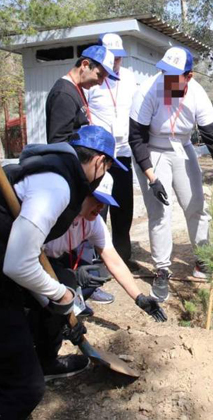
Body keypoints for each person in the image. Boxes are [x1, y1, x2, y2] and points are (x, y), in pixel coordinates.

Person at [0, 125, 124, 419]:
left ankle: (45, 361)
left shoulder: (52, 173)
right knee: (24, 387)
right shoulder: (56, 186)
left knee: (58, 287)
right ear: (99, 161)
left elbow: (25, 256)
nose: (103, 175)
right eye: (107, 167)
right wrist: (61, 294)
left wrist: (56, 301)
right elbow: (19, 264)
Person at [129, 46, 213, 302]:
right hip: (153, 149)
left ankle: (203, 262)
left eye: (175, 76)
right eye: (165, 74)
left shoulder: (196, 93)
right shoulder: (148, 90)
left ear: (189, 76)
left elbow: (211, 136)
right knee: (160, 212)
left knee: (196, 204)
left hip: (182, 147)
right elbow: (136, 138)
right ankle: (162, 269)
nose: (167, 80)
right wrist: (152, 177)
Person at [44, 173, 167, 322]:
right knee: (70, 280)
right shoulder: (53, 214)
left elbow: (114, 262)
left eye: (105, 202)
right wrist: (69, 275)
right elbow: (27, 261)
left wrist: (139, 298)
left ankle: (69, 309)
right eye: (97, 200)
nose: (101, 207)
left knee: (93, 275)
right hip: (34, 265)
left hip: (56, 261)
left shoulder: (93, 223)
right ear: (82, 194)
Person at [86, 34, 137, 266]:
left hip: (123, 153)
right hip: (99, 155)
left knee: (124, 207)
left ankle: (123, 256)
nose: (116, 62)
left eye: (119, 57)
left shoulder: (129, 78)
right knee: (98, 206)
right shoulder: (93, 81)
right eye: (112, 57)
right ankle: (96, 259)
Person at [45, 45, 119, 143]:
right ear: (85, 65)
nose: (101, 82)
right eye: (99, 75)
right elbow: (59, 143)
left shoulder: (77, 88)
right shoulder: (64, 94)